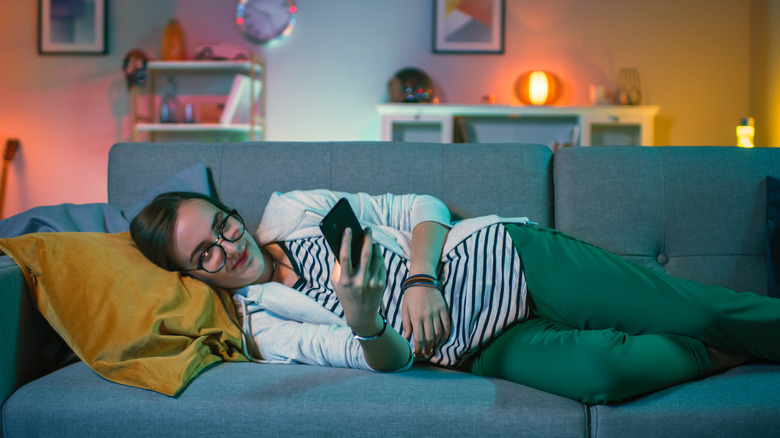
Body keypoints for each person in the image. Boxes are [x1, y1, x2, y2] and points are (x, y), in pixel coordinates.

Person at [130, 189, 780, 404]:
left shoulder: (291, 212)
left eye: (221, 224)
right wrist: (362, 323)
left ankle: (738, 335)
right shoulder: (266, 328)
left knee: (699, 308)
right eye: (205, 254)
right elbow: (387, 361)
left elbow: (421, 205)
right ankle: (731, 354)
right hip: (476, 346)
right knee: (604, 373)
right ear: (194, 277)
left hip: (511, 262)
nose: (228, 245)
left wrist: (420, 280)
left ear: (230, 212)